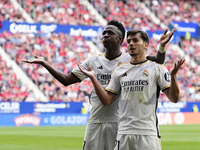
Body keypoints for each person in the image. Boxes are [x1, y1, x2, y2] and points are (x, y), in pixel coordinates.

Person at [22, 20, 175, 150]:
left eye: (110, 33)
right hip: (95, 119)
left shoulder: (131, 58)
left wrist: (161, 47)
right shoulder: (92, 61)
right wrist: (45, 63)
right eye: (104, 33)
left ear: (120, 38)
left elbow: (157, 61)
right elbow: (66, 80)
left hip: (119, 122)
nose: (105, 36)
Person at [77, 29, 185, 150]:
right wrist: (93, 78)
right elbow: (106, 100)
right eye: (128, 41)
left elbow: (174, 98)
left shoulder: (157, 68)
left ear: (146, 45)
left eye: (135, 40)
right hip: (123, 133)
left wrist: (173, 76)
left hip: (147, 133)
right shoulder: (119, 71)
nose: (131, 44)